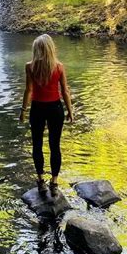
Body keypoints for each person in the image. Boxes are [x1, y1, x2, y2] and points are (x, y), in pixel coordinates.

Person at [20, 34, 74, 196]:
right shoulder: (59, 67)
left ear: (36, 49)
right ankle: (54, 182)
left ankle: (41, 180)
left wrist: (23, 110)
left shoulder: (30, 66)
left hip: (37, 109)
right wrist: (70, 110)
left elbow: (28, 91)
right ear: (51, 48)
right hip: (55, 109)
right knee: (54, 145)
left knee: (37, 145)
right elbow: (65, 90)